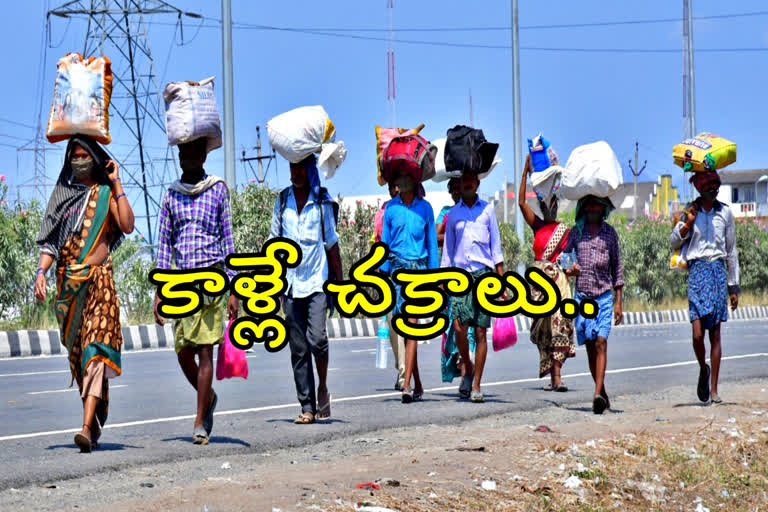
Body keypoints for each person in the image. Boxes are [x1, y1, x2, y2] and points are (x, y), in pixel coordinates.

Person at [35, 135, 135, 453]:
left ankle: (84, 427)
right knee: (79, 358)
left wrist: (116, 182)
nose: (79, 160)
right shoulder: (62, 196)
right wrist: (41, 272)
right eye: (74, 155)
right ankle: (95, 417)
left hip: (99, 284)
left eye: (84, 155)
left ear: (93, 158)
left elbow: (128, 225)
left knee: (94, 351)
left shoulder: (106, 193)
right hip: (70, 289)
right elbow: (51, 242)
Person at [154, 136, 239, 445]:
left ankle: (199, 420)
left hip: (213, 279)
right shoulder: (171, 196)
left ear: (203, 156)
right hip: (181, 283)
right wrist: (160, 291)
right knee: (182, 351)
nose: (186, 157)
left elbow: (227, 240)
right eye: (182, 152)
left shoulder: (217, 190)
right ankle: (209, 398)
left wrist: (233, 288)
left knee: (205, 350)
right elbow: (164, 244)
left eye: (192, 152)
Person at [270, 154, 343, 424]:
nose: (296, 172)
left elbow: (332, 244)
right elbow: (273, 243)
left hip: (316, 282)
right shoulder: (281, 202)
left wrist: (341, 283)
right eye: (292, 166)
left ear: (310, 169)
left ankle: (322, 385)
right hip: (289, 284)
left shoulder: (322, 201)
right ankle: (307, 407)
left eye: (301, 167)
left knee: (317, 340)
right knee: (298, 348)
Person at [670, 170, 739, 404]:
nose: (713, 189)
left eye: (715, 185)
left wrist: (733, 286)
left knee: (716, 334)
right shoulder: (689, 211)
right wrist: (687, 224)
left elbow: (731, 251)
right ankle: (703, 367)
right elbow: (673, 241)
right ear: (699, 188)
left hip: (718, 272)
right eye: (708, 185)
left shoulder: (725, 213)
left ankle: (714, 390)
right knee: (697, 334)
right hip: (698, 273)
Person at [441, 171, 505, 403]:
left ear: (477, 183)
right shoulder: (454, 214)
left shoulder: (487, 210)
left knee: (480, 332)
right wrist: (443, 279)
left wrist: (501, 282)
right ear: (460, 184)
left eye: (471, 181)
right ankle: (466, 366)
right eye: (463, 181)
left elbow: (495, 247)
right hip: (459, 277)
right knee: (458, 327)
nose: (467, 184)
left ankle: (476, 384)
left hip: (484, 276)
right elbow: (448, 250)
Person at [518, 156, 575, 391]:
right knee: (543, 330)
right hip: (539, 285)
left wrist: (572, 270)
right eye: (545, 205)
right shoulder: (537, 226)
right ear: (542, 208)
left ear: (557, 206)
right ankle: (552, 377)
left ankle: (558, 378)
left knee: (559, 324)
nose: (549, 208)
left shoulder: (566, 231)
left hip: (559, 283)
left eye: (553, 205)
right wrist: (524, 173)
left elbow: (572, 258)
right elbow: (521, 203)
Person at [381, 172, 439, 403]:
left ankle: (406, 386)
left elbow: (432, 245)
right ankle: (418, 384)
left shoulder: (425, 209)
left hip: (419, 271)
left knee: (412, 325)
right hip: (395, 273)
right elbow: (384, 245)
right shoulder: (391, 209)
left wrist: (435, 278)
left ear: (415, 181)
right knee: (403, 328)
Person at [566, 195, 624, 414]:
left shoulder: (610, 234)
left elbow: (617, 268)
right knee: (591, 346)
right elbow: (566, 259)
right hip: (582, 297)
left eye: (596, 205)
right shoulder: (576, 233)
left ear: (603, 208)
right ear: (583, 208)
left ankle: (597, 394)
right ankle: (602, 391)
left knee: (601, 341)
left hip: (603, 297)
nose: (592, 209)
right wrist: (570, 268)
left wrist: (619, 302)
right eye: (588, 205)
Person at [439, 177, 477, 384]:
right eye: (452, 189)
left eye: (459, 188)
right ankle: (463, 367)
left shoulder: (473, 213)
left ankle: (467, 373)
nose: (456, 192)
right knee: (455, 325)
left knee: (471, 326)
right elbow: (436, 235)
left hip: (473, 273)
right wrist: (455, 232)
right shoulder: (446, 212)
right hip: (452, 275)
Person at [372, 181, 406, 391]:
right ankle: (401, 367)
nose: (395, 189)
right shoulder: (383, 213)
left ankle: (406, 373)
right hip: (388, 275)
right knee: (392, 325)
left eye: (398, 185)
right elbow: (379, 243)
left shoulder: (418, 207)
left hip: (411, 272)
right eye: (392, 186)